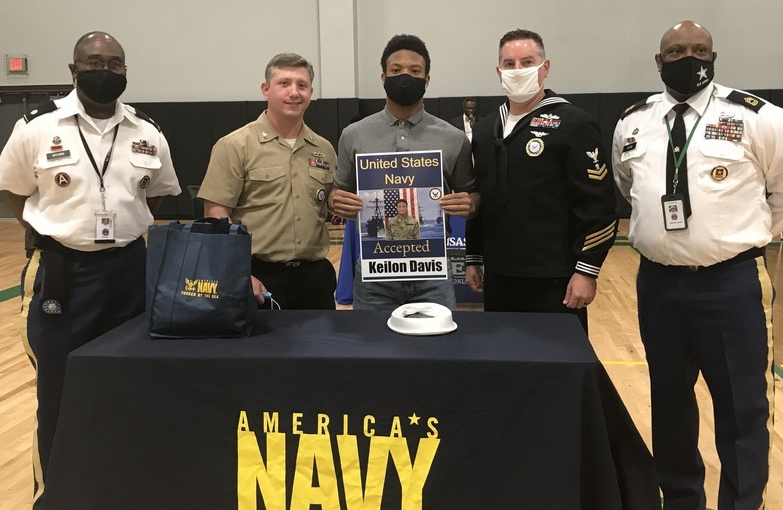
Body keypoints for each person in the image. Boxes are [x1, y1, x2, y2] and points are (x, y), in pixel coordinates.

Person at [611, 20, 783, 510]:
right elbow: (627, 186)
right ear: (659, 62)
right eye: (676, 51)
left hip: (731, 284)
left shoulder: (758, 116)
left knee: (742, 407)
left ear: (713, 57)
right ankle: (681, 501)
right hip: (658, 283)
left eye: (699, 49)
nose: (688, 57)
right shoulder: (634, 121)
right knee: (670, 405)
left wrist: (743, 237)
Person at [0, 31, 181, 509]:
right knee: (58, 391)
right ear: (74, 70)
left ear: (125, 71)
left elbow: (159, 193)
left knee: (130, 384)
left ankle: (123, 491)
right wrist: (55, 229)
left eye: (115, 64)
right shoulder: (38, 127)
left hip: (129, 270)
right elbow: (15, 192)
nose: (105, 71)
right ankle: (54, 498)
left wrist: (122, 226)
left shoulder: (147, 131)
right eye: (95, 63)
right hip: (62, 271)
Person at [464, 29, 617, 332]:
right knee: (503, 355)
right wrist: (474, 257)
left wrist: (587, 270)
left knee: (558, 358)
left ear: (545, 67)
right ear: (499, 72)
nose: (518, 70)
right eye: (509, 64)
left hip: (555, 277)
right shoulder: (486, 129)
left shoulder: (574, 123)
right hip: (499, 275)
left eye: (527, 62)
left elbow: (598, 204)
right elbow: (481, 200)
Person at [329, 34, 478, 311]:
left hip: (433, 275)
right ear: (383, 78)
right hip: (374, 274)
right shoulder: (353, 135)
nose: (405, 77)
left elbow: (473, 195)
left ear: (427, 79)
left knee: (437, 340)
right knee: (372, 340)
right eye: (396, 70)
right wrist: (335, 201)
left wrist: (471, 203)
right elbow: (337, 193)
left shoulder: (453, 138)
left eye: (415, 71)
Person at [199, 53, 337, 309]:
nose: (294, 92)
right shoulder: (235, 145)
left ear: (311, 92)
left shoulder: (324, 149)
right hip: (257, 279)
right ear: (266, 90)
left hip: (315, 279)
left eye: (302, 85)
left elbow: (327, 204)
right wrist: (238, 272)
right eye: (284, 83)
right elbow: (216, 214)